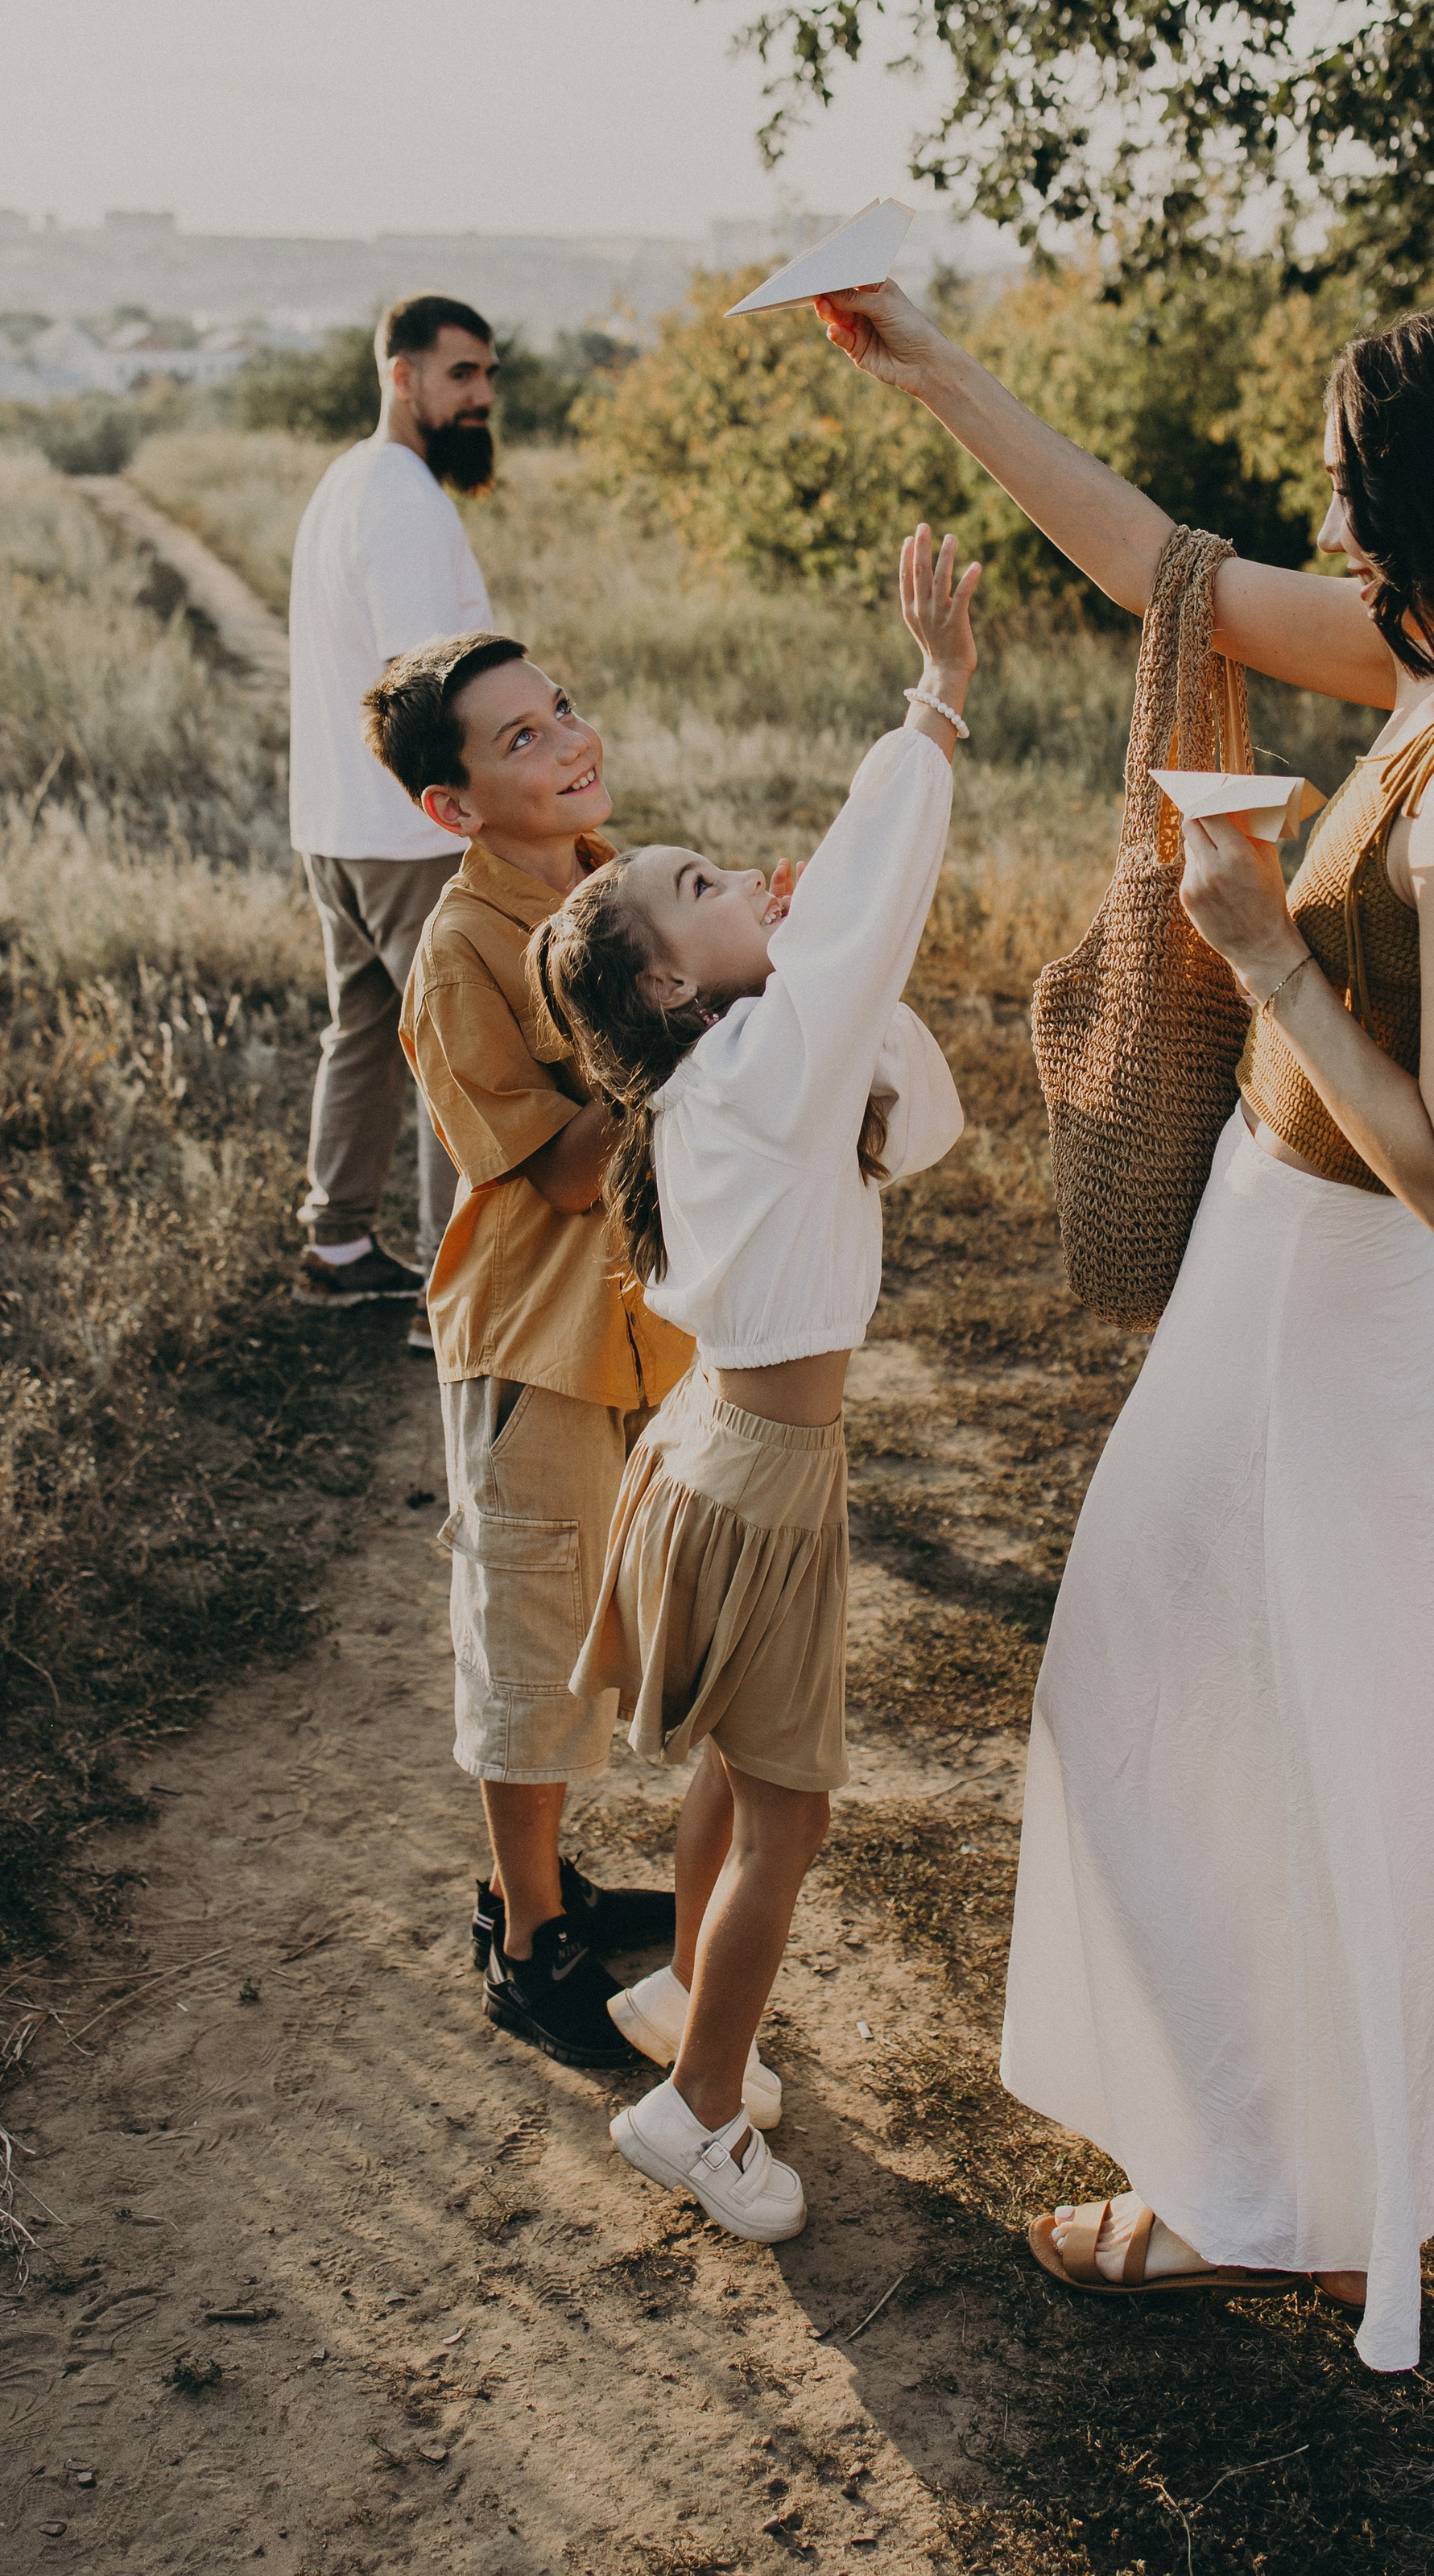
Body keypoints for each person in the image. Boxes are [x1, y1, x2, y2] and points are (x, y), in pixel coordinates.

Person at [812, 284, 1434, 2371]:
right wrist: (933, 369)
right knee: (1169, 1704)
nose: (1335, 523)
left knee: (1303, 1748)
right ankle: (1259, 2171)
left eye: (1361, 490)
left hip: (1368, 1312)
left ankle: (1257, 2200)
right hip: (1271, 1271)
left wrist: (1271, 959)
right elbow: (1161, 563)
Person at [526, 526, 977, 2244]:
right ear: (661, 978)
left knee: (730, 1770)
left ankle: (673, 2020)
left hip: (717, 1457)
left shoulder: (738, 1079)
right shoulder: (758, 1069)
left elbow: (910, 1110)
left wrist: (799, 960)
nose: (751, 885)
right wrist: (929, 708)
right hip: (756, 1484)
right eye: (706, 886)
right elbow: (868, 923)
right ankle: (700, 2111)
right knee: (784, 1817)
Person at [366, 631, 696, 2064]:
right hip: (537, 1346)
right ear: (451, 809)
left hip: (647, 1330)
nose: (567, 739)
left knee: (609, 1627)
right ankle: (524, 1929)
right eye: (517, 740)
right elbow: (560, 1174)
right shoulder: (457, 955)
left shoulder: (611, 882)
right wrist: (690, 1026)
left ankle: (551, 1878)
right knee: (529, 1637)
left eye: (561, 708)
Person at [287, 293, 500, 1343]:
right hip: (408, 833)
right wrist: (484, 812)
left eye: (488, 377)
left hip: (335, 824)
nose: (481, 397)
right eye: (461, 375)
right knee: (453, 1051)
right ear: (401, 375)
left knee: (364, 1032)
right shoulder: (405, 500)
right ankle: (448, 1293)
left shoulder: (345, 483)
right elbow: (431, 686)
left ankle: (336, 1244)